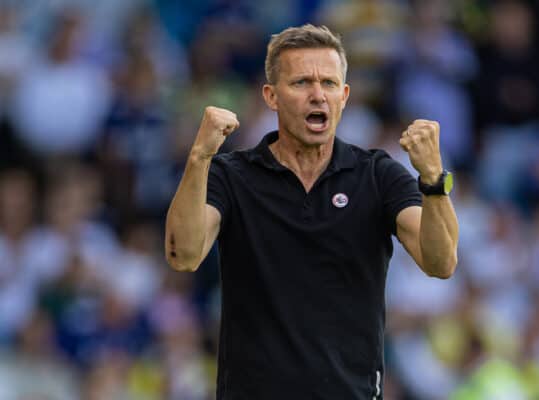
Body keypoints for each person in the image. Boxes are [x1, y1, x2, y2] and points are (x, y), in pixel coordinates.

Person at [165, 24, 458, 400]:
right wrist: (200, 156)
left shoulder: (377, 174)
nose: (318, 95)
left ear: (345, 95)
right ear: (271, 96)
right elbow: (183, 255)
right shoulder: (231, 175)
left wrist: (433, 179)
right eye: (302, 83)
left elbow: (441, 261)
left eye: (329, 84)